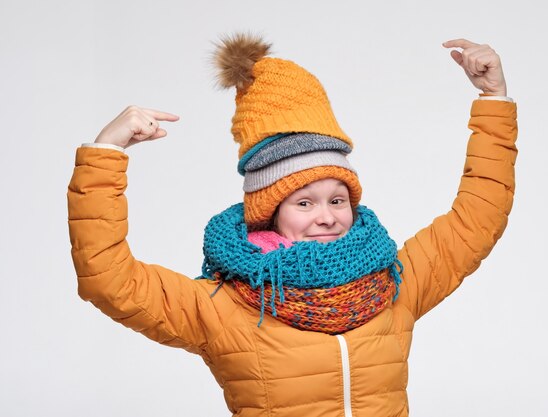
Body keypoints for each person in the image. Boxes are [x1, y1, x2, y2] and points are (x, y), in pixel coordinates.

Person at [68, 34, 517, 416]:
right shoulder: (223, 304)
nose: (327, 215)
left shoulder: (393, 283)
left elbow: (478, 217)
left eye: (338, 199)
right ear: (271, 210)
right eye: (304, 201)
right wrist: (106, 153)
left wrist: (493, 101)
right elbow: (108, 280)